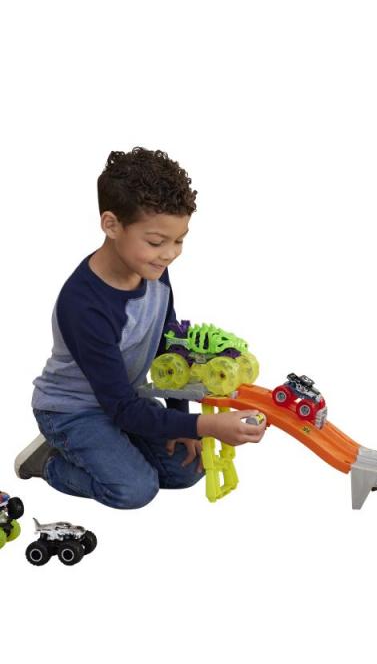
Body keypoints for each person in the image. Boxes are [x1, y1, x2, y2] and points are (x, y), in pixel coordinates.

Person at [16, 147, 266, 508]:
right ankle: (51, 463)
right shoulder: (84, 305)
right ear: (111, 225)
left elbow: (171, 352)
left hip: (123, 401)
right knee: (134, 490)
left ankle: (113, 448)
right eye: (156, 242)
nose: (170, 254)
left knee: (187, 470)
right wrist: (206, 426)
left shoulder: (154, 273)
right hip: (72, 411)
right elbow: (121, 407)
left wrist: (181, 421)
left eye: (179, 240)